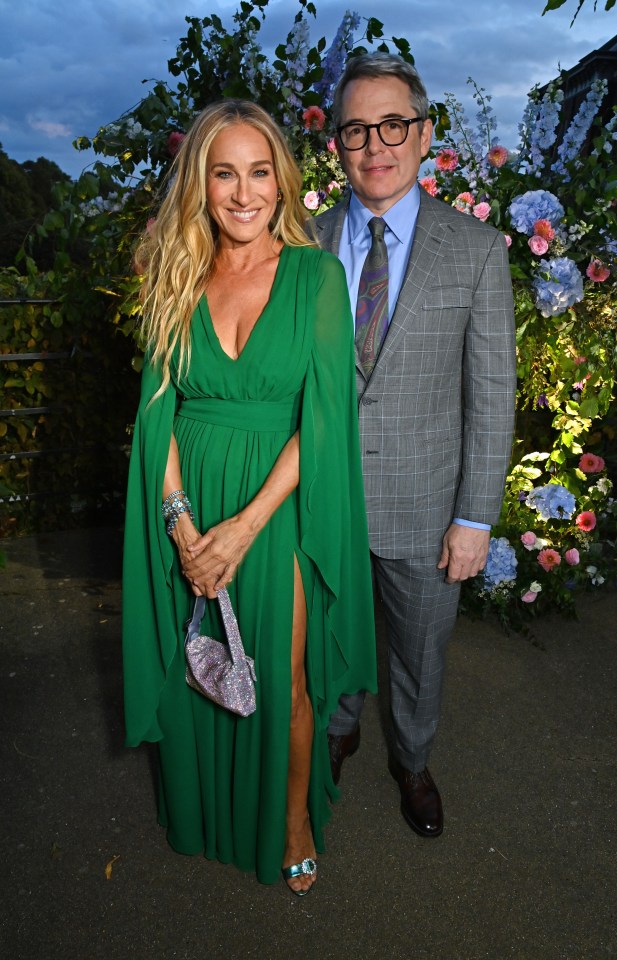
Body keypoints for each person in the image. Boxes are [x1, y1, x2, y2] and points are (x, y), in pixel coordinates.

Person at [121, 100, 377, 895]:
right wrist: (182, 525)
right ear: (201, 183)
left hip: (278, 505)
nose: (243, 193)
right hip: (187, 501)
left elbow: (323, 417)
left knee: (285, 676)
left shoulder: (316, 276)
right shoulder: (175, 274)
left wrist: (242, 529)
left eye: (259, 172)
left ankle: (293, 816)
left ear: (282, 181)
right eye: (224, 173)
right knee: (197, 664)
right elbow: (155, 413)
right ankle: (204, 806)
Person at [314, 54, 516, 838]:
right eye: (356, 128)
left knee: (420, 653)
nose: (376, 144)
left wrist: (476, 518)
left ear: (425, 133)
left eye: (393, 124)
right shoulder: (300, 242)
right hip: (320, 497)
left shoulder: (475, 250)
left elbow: (491, 393)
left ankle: (413, 759)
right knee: (329, 630)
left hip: (428, 506)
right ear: (335, 143)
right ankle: (336, 729)